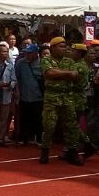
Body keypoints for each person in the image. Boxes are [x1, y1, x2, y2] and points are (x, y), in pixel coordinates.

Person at [39, 37, 86, 166]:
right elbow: (49, 73)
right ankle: (45, 151)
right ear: (53, 48)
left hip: (67, 97)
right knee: (49, 125)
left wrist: (61, 73)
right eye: (61, 46)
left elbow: (75, 75)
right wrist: (67, 73)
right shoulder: (46, 60)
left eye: (65, 46)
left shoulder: (69, 61)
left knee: (71, 126)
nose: (64, 49)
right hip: (51, 97)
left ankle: (72, 152)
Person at [14, 44, 43, 146]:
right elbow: (16, 78)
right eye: (26, 53)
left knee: (38, 119)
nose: (27, 55)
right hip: (24, 96)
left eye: (29, 53)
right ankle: (24, 138)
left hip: (38, 97)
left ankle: (38, 138)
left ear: (36, 53)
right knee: (24, 118)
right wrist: (17, 91)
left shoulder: (42, 63)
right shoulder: (20, 63)